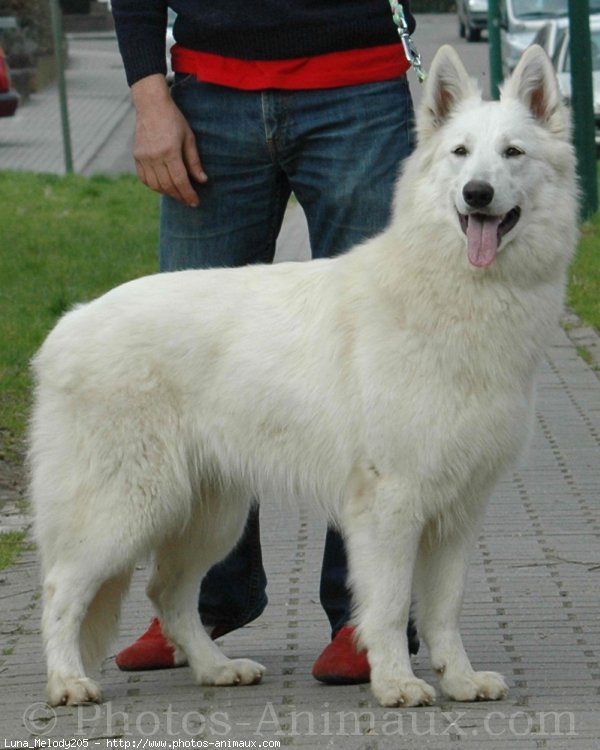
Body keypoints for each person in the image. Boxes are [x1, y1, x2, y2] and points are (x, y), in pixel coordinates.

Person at [111, 0, 419, 685]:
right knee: (192, 359)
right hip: (206, 98)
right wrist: (149, 96)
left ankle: (367, 617)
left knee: (377, 363)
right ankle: (206, 602)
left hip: (359, 90)